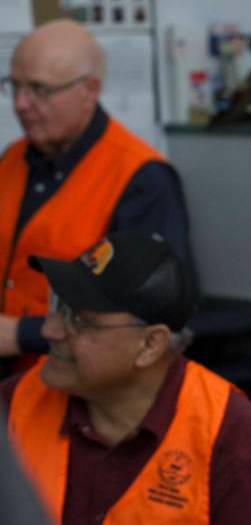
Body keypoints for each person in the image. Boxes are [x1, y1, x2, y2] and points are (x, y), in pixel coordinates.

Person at [1, 232, 251, 525]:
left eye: (78, 320)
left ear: (151, 345)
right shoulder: (13, 406)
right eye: (57, 307)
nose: (49, 330)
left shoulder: (232, 443)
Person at [0, 19, 194, 370]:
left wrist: (22, 334)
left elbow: (148, 314)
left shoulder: (140, 178)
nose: (21, 104)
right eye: (14, 86)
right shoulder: (12, 159)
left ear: (89, 90)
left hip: (81, 386)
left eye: (39, 89)